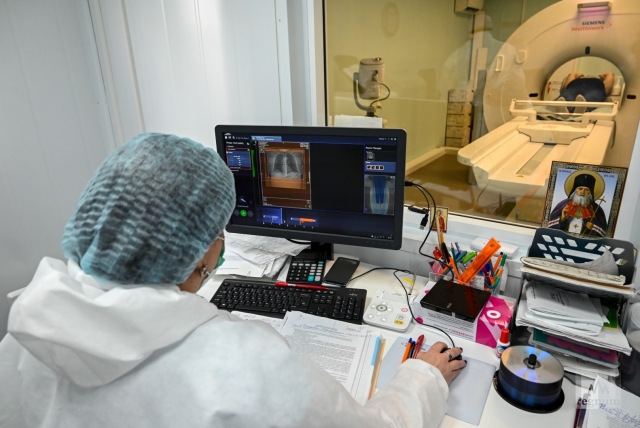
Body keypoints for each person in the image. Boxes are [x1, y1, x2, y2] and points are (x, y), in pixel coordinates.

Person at [0, 133, 465, 428]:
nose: (221, 241)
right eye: (216, 230)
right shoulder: (246, 365)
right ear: (195, 253)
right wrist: (424, 376)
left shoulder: (25, 336)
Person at [548, 172, 607, 237]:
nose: (582, 192)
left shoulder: (596, 208)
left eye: (586, 190)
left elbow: (603, 231)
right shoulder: (563, 204)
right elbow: (550, 224)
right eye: (580, 188)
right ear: (575, 191)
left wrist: (593, 227)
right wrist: (562, 219)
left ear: (590, 193)